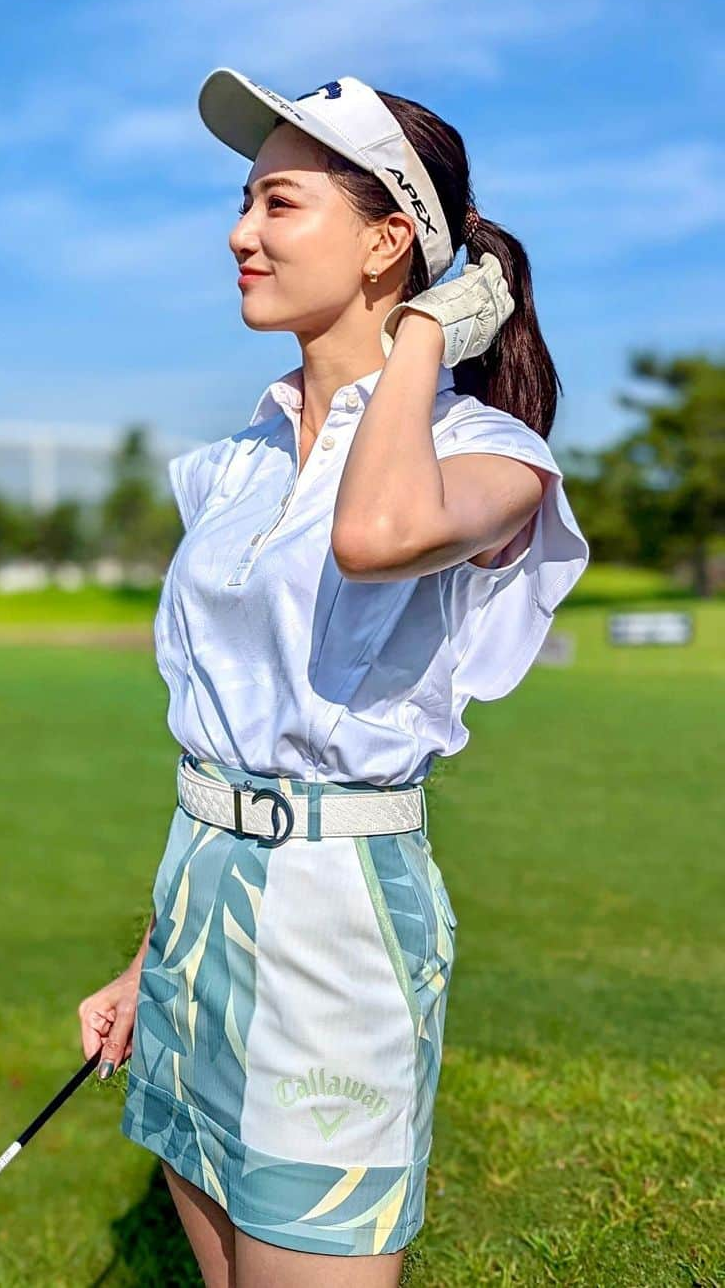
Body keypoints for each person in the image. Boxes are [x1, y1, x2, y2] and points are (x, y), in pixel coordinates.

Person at [78, 68, 590, 1287]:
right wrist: (155, 953)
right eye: (245, 201)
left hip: (339, 921)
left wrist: (424, 336)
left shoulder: (490, 455)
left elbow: (375, 531)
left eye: (279, 204)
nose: (240, 233)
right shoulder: (228, 465)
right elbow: (230, 728)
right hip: (201, 896)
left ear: (386, 240)